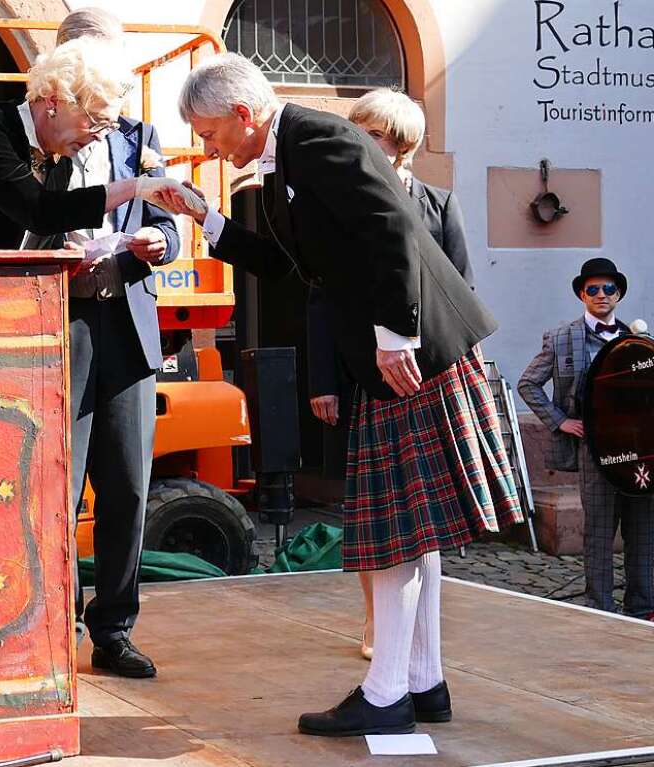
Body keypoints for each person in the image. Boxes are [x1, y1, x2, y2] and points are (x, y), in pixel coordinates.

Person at [157, 53, 522, 737]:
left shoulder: (321, 139)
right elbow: (290, 265)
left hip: (410, 352)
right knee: (410, 533)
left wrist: (395, 336)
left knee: (393, 535)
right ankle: (422, 680)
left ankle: (386, 691)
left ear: (243, 114)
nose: (207, 147)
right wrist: (206, 217)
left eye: (209, 133)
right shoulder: (283, 159)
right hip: (392, 353)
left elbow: (395, 228)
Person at [308, 88, 475, 662]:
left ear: (400, 144)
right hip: (366, 374)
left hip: (427, 373)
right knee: (373, 509)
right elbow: (322, 298)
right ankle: (378, 623)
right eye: (357, 130)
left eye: (372, 134)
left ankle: (419, 648)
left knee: (423, 514)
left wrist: (434, 354)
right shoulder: (341, 203)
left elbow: (459, 289)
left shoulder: (439, 204)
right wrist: (324, 380)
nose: (360, 142)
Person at [55, 7, 181, 679]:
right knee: (58, 487)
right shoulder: (40, 136)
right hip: (60, 326)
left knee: (128, 485)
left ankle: (115, 628)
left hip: (129, 329)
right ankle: (53, 623)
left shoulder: (141, 136)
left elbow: (170, 214)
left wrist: (163, 241)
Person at [0, 38, 176, 252]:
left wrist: (73, 257)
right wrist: (137, 187)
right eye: (95, 121)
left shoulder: (60, 159)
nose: (101, 135)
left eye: (109, 126)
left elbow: (42, 229)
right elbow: (39, 212)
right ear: (54, 101)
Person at [518, 258, 654, 619]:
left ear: (619, 294)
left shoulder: (636, 342)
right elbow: (528, 383)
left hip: (637, 453)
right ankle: (600, 608)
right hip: (594, 450)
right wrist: (561, 422)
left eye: (608, 288)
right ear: (582, 294)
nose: (600, 295)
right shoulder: (562, 338)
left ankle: (642, 608)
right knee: (598, 531)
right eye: (592, 289)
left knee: (642, 527)